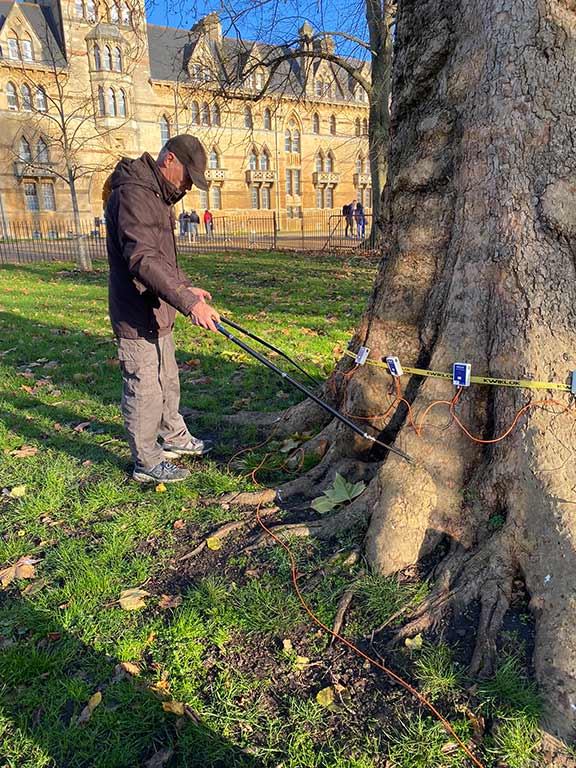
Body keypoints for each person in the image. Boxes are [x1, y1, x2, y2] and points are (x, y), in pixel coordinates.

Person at [104, 134, 221, 484]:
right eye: (188, 177)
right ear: (169, 160)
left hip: (158, 309)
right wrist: (188, 304)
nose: (188, 187)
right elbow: (142, 259)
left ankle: (174, 437)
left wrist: (186, 287)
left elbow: (164, 259)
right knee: (144, 389)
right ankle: (148, 462)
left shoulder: (158, 196)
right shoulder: (133, 193)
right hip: (135, 313)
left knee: (167, 380)